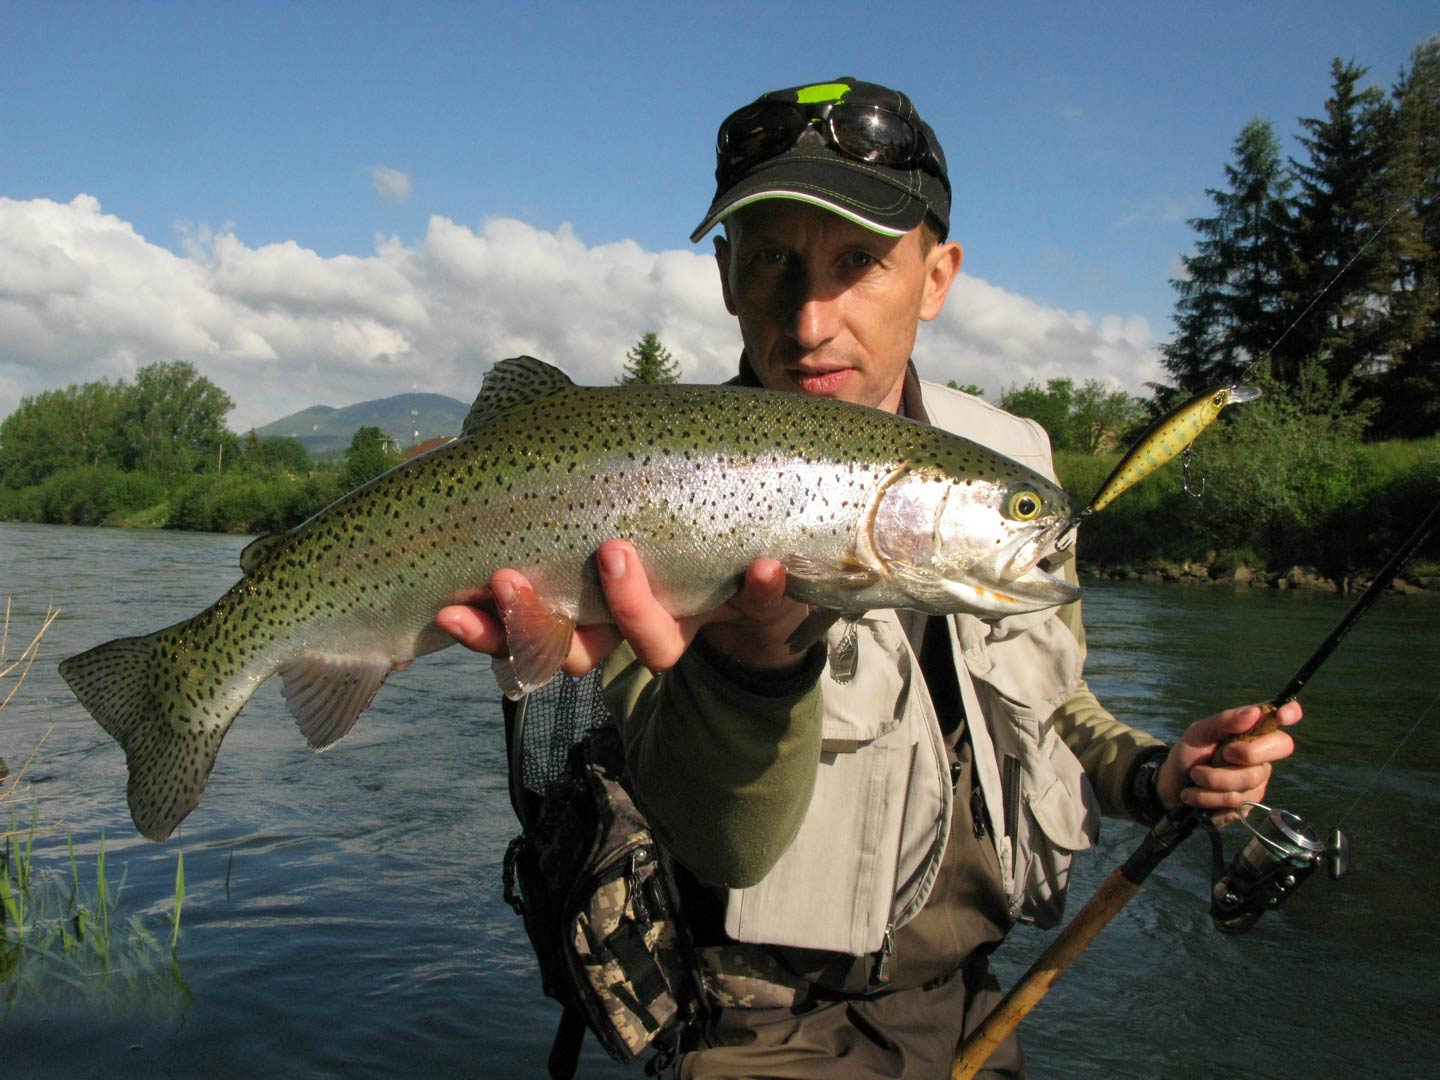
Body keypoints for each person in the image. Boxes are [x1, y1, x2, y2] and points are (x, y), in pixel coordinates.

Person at [438, 77, 1300, 1079]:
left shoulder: (1008, 477)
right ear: (726, 277)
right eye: (772, 260)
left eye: (859, 262)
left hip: (973, 1004)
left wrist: (1157, 775)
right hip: (757, 1030)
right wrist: (753, 670)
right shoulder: (646, 497)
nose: (810, 321)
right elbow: (724, 843)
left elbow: (1054, 704)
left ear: (936, 277)